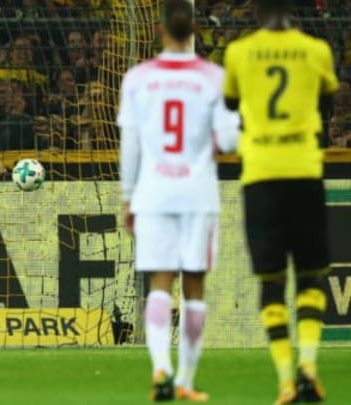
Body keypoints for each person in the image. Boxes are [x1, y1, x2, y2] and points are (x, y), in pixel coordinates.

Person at [117, 0, 239, 401]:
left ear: (160, 28)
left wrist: (129, 197)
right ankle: (186, 380)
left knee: (159, 284)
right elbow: (229, 141)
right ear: (195, 29)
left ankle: (160, 371)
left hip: (153, 193)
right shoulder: (213, 77)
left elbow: (130, 146)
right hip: (197, 195)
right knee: (194, 288)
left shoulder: (138, 78)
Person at [223, 0, 338, 403]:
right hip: (304, 171)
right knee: (310, 275)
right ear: (290, 8)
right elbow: (328, 102)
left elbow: (233, 104)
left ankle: (287, 380)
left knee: (271, 282)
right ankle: (309, 364)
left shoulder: (238, 51)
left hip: (261, 175)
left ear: (254, 12)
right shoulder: (316, 50)